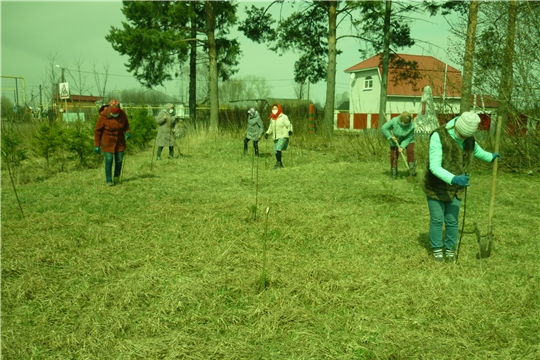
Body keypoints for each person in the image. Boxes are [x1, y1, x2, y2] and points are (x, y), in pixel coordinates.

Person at [423, 112, 501, 263]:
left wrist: (491, 157)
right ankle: (437, 249)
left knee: (452, 220)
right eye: (461, 135)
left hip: (456, 188)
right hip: (436, 186)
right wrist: (454, 178)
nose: (463, 138)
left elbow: (476, 151)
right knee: (438, 219)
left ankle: (450, 249)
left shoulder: (468, 138)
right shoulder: (438, 136)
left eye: (466, 137)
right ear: (456, 127)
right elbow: (434, 166)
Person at [94, 99, 131, 186]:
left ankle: (116, 178)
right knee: (109, 159)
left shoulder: (122, 114)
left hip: (119, 141)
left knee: (119, 160)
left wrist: (128, 132)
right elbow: (97, 131)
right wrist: (97, 145)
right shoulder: (103, 115)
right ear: (110, 110)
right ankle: (109, 179)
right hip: (107, 141)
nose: (115, 116)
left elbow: (126, 125)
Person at [382, 111, 416, 179]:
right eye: (405, 122)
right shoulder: (394, 121)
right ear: (401, 120)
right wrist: (390, 136)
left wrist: (402, 147)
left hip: (408, 140)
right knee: (394, 156)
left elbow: (408, 138)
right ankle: (394, 173)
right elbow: (384, 128)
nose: (406, 124)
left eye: (407, 122)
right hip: (395, 139)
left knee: (410, 151)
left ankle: (412, 171)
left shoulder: (412, 126)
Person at [264, 103, 293, 170]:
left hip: (283, 136)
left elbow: (289, 125)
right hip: (276, 137)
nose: (274, 110)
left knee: (278, 148)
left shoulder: (283, 117)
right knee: (275, 150)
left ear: (279, 109)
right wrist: (267, 133)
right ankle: (280, 164)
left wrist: (290, 130)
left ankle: (278, 163)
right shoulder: (272, 119)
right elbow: (270, 128)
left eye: (276, 109)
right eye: (273, 109)